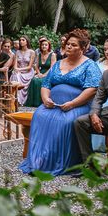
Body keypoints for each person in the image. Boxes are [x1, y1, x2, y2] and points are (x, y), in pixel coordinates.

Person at [19, 29, 102, 176]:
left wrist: (72, 103)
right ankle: (39, 160)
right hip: (53, 104)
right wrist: (45, 99)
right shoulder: (58, 64)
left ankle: (59, 162)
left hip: (78, 105)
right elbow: (46, 84)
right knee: (39, 115)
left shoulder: (90, 65)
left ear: (83, 48)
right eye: (68, 44)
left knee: (64, 122)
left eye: (74, 45)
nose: (69, 47)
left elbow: (92, 89)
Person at [25, 38, 56, 107]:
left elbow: (52, 68)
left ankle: (41, 102)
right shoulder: (39, 54)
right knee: (33, 80)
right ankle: (33, 102)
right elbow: (36, 65)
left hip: (49, 73)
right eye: (42, 45)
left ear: (49, 46)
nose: (44, 46)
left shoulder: (52, 55)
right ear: (40, 46)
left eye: (46, 45)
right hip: (41, 72)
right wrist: (38, 73)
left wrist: (44, 75)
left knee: (40, 81)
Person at [10, 35, 36, 105]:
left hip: (28, 72)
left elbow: (30, 67)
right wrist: (17, 69)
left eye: (23, 40)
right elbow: (15, 66)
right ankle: (16, 99)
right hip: (19, 71)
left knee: (17, 75)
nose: (21, 41)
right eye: (20, 40)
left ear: (27, 42)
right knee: (15, 75)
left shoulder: (32, 52)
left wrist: (18, 69)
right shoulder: (17, 52)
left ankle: (20, 101)